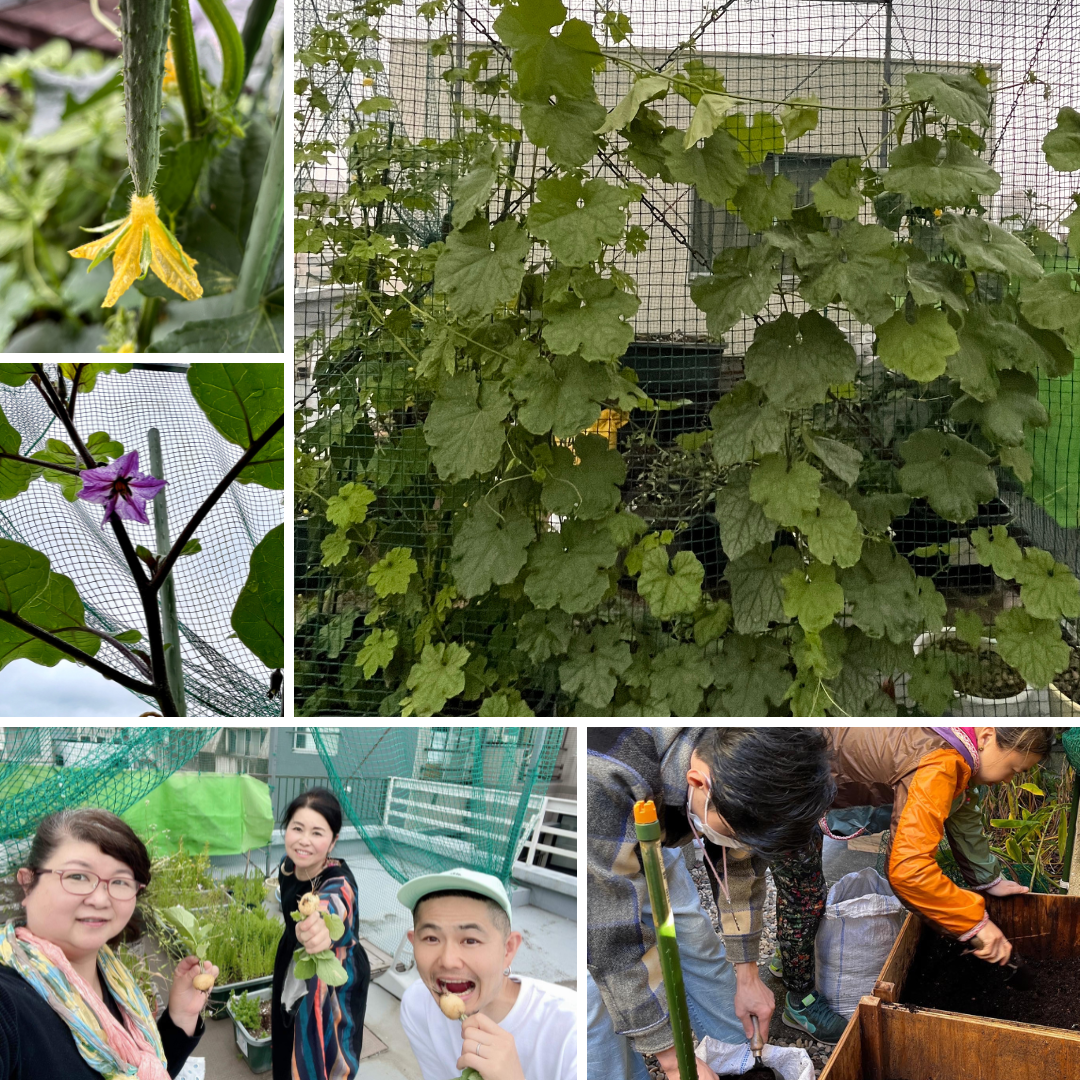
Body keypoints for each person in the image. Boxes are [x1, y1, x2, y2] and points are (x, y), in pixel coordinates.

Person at [769, 726, 1051, 1045]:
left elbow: (961, 812)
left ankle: (794, 954)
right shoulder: (941, 762)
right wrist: (976, 924)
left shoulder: (960, 747)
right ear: (987, 737)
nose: (1011, 779)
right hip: (787, 787)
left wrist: (989, 879)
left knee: (804, 898)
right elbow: (909, 870)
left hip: (814, 775)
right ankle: (799, 998)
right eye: (1014, 769)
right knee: (803, 900)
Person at [587, 728, 836, 1080]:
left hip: (663, 819)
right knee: (592, 1003)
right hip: (595, 845)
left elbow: (737, 862)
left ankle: (736, 1059)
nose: (740, 845)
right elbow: (609, 938)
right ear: (698, 783)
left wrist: (747, 973)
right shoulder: (604, 778)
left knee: (693, 938)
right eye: (736, 834)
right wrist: (673, 1060)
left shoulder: (740, 764)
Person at [0, 808, 214, 1080]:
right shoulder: (8, 1003)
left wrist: (181, 1016)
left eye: (120, 881)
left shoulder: (113, 978)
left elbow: (145, 1072)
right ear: (28, 884)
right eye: (77, 876)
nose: (100, 900)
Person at [397, 867, 576, 1080]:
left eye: (470, 940)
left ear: (508, 950)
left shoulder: (572, 1029)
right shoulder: (416, 1006)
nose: (447, 960)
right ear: (413, 941)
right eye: (431, 938)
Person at [272, 788, 370, 1080]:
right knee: (286, 1036)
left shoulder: (339, 883)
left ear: (333, 841)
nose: (304, 840)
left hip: (333, 974)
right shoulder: (288, 867)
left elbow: (331, 906)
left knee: (326, 1053)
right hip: (294, 957)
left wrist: (320, 928)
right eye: (297, 828)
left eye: (317, 832)